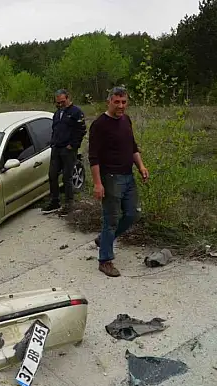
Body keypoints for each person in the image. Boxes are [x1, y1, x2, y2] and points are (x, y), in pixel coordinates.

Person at [88, 86, 149, 277]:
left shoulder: (126, 120)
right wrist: (98, 184)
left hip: (128, 176)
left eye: (124, 102)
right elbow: (93, 157)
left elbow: (133, 147)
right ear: (109, 102)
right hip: (111, 178)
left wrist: (141, 166)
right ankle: (105, 260)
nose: (121, 106)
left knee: (133, 214)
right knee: (111, 220)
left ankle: (104, 240)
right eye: (117, 102)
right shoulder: (99, 124)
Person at [41, 89, 87, 215]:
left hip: (68, 149)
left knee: (67, 177)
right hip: (56, 148)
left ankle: (69, 203)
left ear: (68, 98)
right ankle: (55, 201)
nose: (60, 104)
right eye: (58, 103)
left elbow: (81, 130)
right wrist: (53, 142)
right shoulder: (57, 114)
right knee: (52, 175)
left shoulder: (76, 112)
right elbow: (55, 129)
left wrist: (72, 145)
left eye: (62, 102)